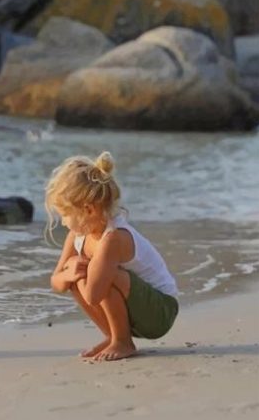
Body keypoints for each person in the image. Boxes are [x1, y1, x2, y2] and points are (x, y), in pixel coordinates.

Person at [45, 151, 178, 361]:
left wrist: (77, 269)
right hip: (134, 311)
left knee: (97, 273)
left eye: (64, 215)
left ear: (88, 210)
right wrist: (68, 274)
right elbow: (56, 282)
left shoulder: (113, 237)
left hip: (160, 313)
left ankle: (122, 341)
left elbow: (93, 295)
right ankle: (114, 336)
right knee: (79, 272)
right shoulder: (77, 236)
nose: (62, 222)